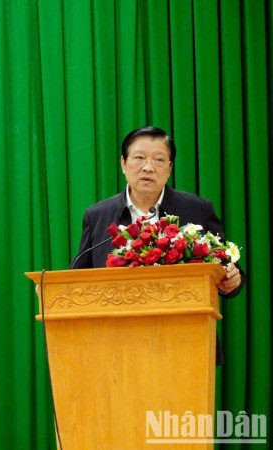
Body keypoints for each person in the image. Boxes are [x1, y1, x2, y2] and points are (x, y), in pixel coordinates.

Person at [71, 126, 245, 363]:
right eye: (139, 158)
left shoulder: (198, 210)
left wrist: (231, 280)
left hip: (184, 343)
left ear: (170, 168)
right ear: (123, 164)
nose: (148, 167)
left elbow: (229, 272)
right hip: (116, 344)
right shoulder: (98, 215)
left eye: (159, 160)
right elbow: (78, 277)